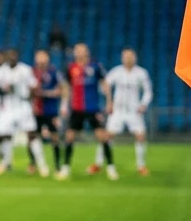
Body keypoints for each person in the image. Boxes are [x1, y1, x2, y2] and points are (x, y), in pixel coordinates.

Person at [60, 43, 111, 180]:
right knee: (70, 137)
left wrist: (109, 101)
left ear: (87, 52)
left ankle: (111, 167)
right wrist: (64, 105)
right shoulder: (71, 67)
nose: (79, 53)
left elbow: (104, 84)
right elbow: (66, 87)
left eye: (82, 50)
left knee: (102, 137)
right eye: (77, 50)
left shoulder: (95, 66)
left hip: (93, 108)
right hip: (76, 108)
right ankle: (66, 167)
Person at [104, 47, 153, 177]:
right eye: (126, 56)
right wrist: (109, 102)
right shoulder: (116, 72)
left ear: (135, 58)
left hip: (134, 111)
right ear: (122, 58)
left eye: (130, 56)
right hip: (117, 111)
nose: (128, 59)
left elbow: (148, 91)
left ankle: (141, 166)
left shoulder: (141, 73)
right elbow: (105, 84)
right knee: (107, 136)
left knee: (140, 136)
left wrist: (143, 104)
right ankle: (98, 163)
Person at [0, 49, 40, 176]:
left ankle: (39, 164)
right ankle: (6, 162)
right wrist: (5, 89)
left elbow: (33, 85)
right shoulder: (2, 71)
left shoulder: (25, 70)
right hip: (9, 106)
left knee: (31, 134)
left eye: (13, 55)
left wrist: (30, 100)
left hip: (23, 105)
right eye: (9, 55)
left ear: (17, 57)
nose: (11, 58)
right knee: (1, 134)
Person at [31, 49, 66, 177]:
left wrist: (48, 94)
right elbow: (29, 91)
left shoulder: (54, 72)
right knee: (34, 137)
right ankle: (39, 165)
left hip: (51, 110)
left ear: (47, 58)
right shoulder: (31, 72)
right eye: (38, 57)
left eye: (43, 57)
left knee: (55, 138)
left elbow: (62, 89)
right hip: (36, 111)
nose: (41, 60)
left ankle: (57, 166)